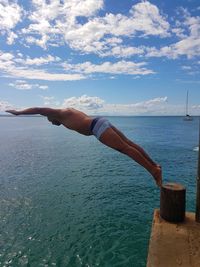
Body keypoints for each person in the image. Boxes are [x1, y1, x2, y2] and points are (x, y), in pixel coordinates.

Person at [6, 107, 162, 187]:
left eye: (51, 121)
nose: (53, 124)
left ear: (52, 116)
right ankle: (155, 165)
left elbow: (38, 109)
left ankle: (153, 171)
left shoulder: (59, 112)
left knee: (125, 149)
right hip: (99, 122)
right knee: (129, 144)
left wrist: (19, 113)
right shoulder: (66, 114)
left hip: (96, 128)